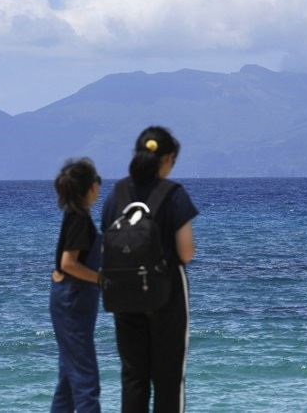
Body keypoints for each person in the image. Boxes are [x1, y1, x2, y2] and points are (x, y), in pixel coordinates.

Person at [101, 126, 198, 413]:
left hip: (123, 296)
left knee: (134, 378)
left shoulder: (116, 195)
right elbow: (185, 252)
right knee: (169, 379)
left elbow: (105, 245)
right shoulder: (173, 194)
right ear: (167, 158)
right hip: (166, 295)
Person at [50, 158, 103, 413]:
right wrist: (102, 279)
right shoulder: (80, 219)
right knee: (86, 380)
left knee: (69, 379)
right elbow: (68, 263)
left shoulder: (75, 216)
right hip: (73, 301)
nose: (100, 186)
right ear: (90, 187)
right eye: (97, 181)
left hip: (69, 301)